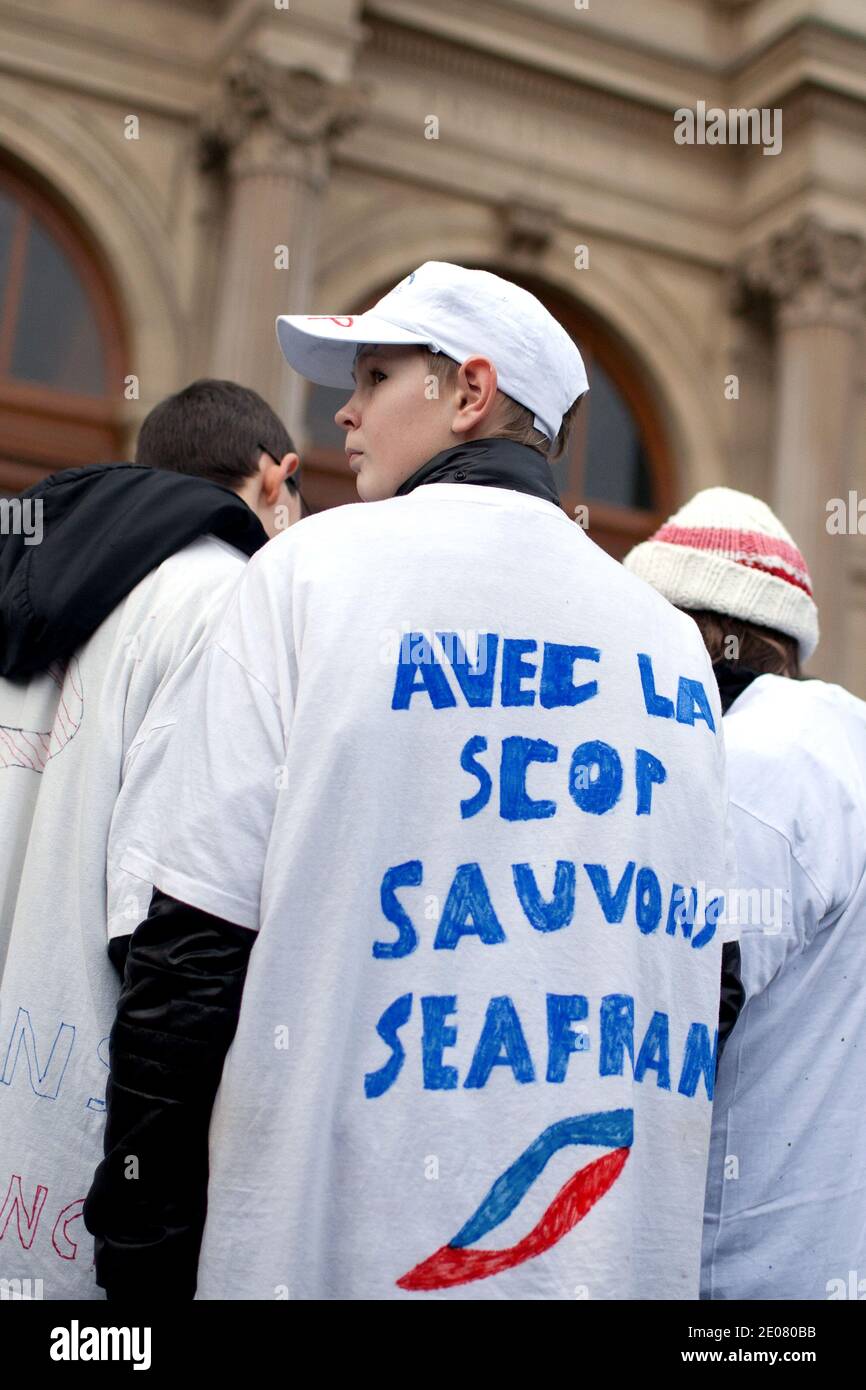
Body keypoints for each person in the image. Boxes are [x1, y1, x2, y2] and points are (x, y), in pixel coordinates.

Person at [91, 262, 735, 1301]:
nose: (342, 410)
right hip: (598, 1260)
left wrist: (141, 1250)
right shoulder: (666, 647)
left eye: (377, 375)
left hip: (318, 1249)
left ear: (467, 392)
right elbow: (714, 977)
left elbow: (189, 947)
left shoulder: (306, 575)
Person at [0, 379, 301, 1299]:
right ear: (276, 478)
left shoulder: (36, 579)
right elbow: (173, 926)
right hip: (86, 1162)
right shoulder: (226, 603)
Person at [624, 486, 866, 1300]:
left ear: (704, 636)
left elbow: (675, 1027)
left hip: (736, 1289)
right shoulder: (840, 744)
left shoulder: (755, 759)